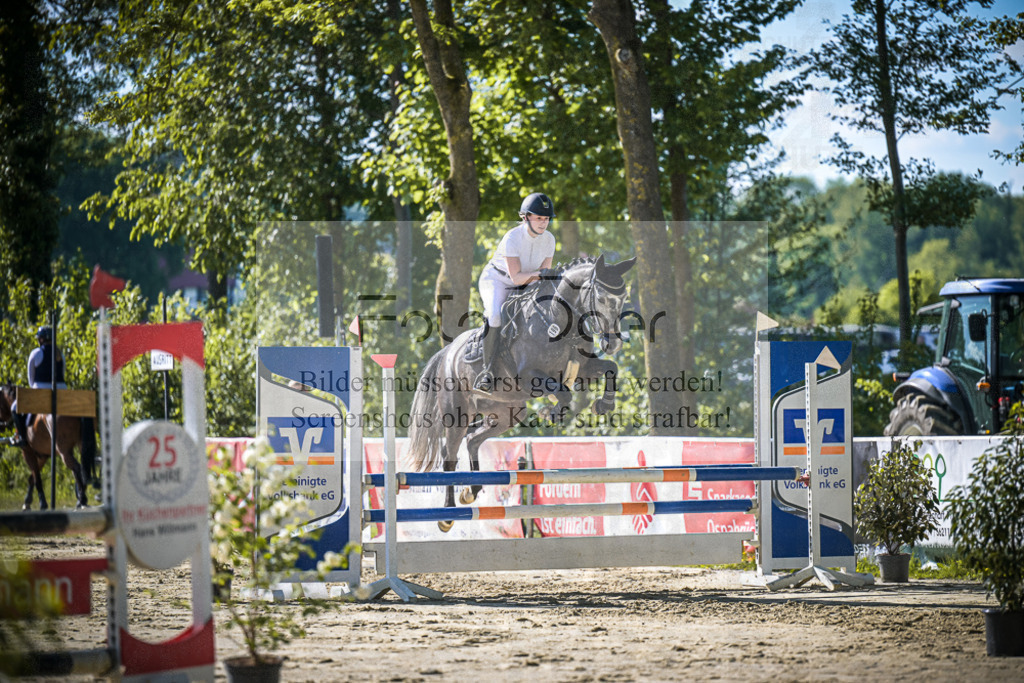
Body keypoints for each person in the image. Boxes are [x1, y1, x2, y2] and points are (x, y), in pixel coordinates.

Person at [474, 192, 557, 394]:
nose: (543, 223)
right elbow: (517, 278)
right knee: (495, 315)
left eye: (546, 219)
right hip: (498, 280)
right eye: (539, 218)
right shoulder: (512, 237)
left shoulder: (549, 240)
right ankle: (487, 372)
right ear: (526, 217)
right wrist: (543, 274)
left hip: (526, 283)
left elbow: (542, 278)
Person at [8, 326, 66, 448]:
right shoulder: (60, 354)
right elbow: (63, 374)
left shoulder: (36, 353)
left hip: (40, 393)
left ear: (41, 339)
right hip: (61, 394)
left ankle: (23, 438)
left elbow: (31, 379)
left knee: (14, 407)